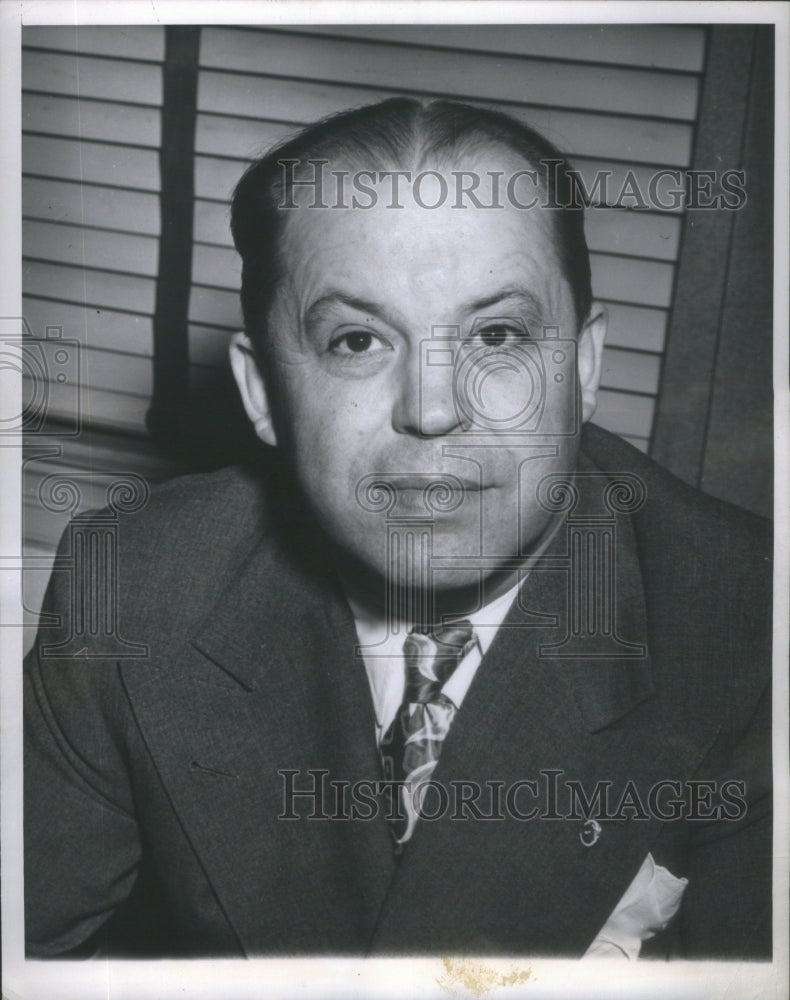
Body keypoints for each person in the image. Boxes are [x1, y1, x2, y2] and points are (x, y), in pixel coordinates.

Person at [24, 98, 772, 959]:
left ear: (584, 364)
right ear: (263, 390)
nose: (431, 408)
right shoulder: (136, 584)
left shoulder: (748, 631)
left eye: (496, 334)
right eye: (355, 341)